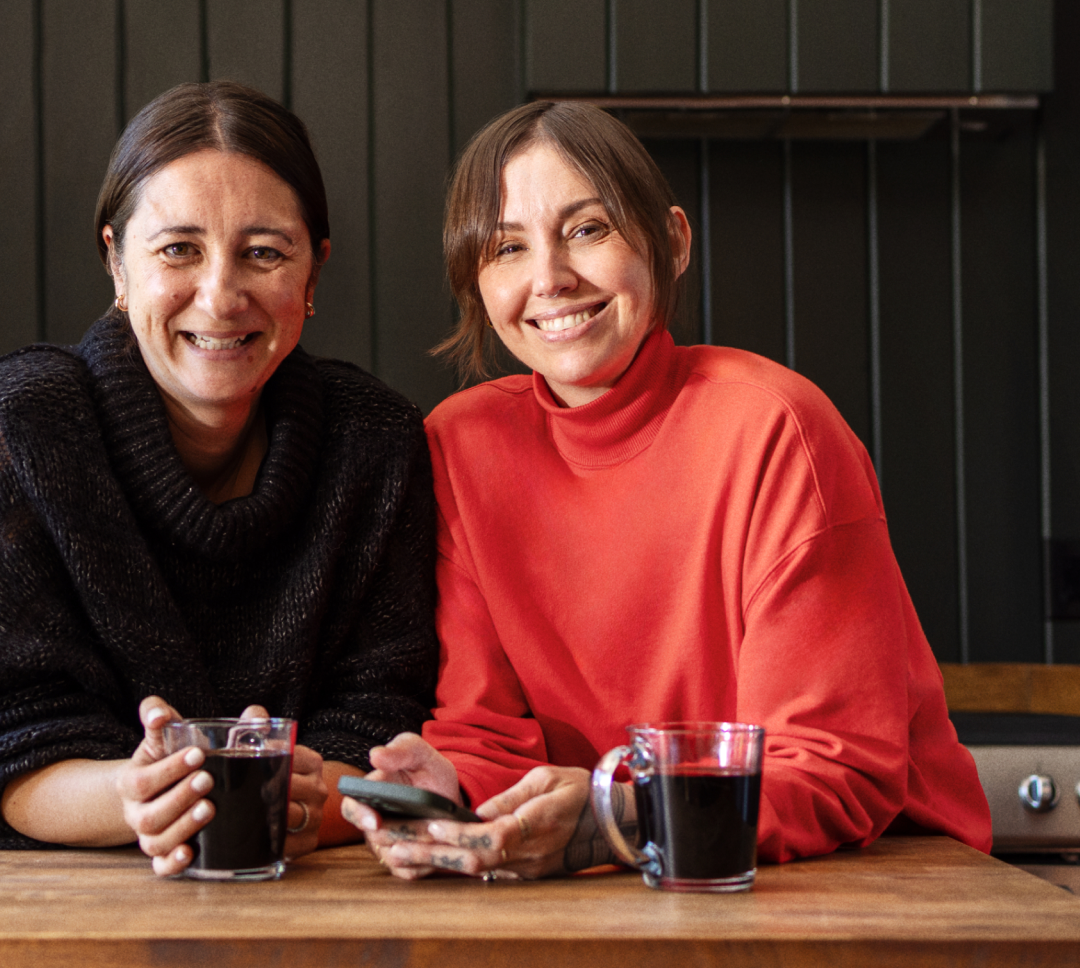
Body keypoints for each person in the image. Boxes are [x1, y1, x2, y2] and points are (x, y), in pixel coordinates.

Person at [342, 100, 991, 880]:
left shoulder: (777, 429)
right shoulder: (462, 444)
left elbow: (834, 769)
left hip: (872, 872)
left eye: (588, 230)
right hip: (637, 873)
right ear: (476, 283)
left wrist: (616, 819)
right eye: (508, 247)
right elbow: (487, 730)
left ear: (672, 241)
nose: (549, 278)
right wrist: (451, 786)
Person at [0, 81, 438, 874]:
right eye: (177, 249)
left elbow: (385, 728)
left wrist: (302, 802)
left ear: (313, 274)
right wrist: (136, 795)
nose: (220, 296)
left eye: (264, 252)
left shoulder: (375, 439)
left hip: (315, 898)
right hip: (52, 904)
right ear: (116, 262)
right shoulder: (13, 426)